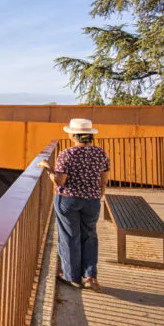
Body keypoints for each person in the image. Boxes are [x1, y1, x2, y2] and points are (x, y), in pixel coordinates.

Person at [38, 118, 110, 291]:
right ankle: (90, 276)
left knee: (70, 237)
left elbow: (59, 181)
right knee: (90, 236)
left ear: (74, 136)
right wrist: (97, 195)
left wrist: (47, 167)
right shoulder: (101, 154)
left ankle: (71, 276)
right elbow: (104, 180)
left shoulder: (67, 154)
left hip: (68, 199)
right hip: (92, 200)